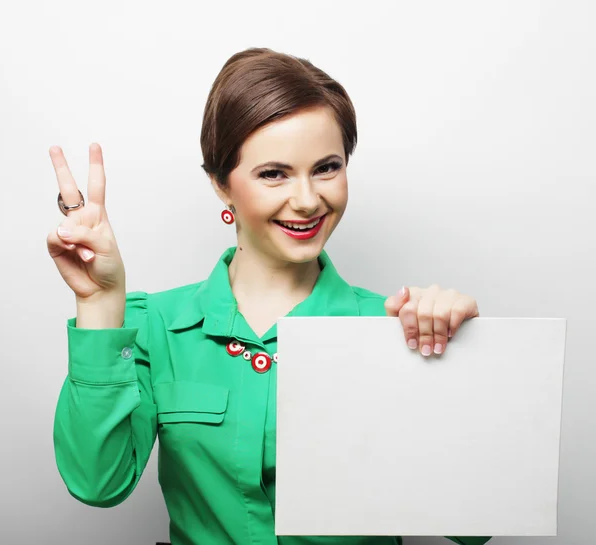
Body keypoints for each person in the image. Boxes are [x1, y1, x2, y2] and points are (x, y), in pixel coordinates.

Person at [49, 47, 490, 545]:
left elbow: (476, 531)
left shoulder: (395, 327)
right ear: (221, 184)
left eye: (327, 167)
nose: (307, 200)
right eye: (274, 173)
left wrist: (459, 366)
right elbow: (96, 483)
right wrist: (98, 303)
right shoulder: (155, 327)